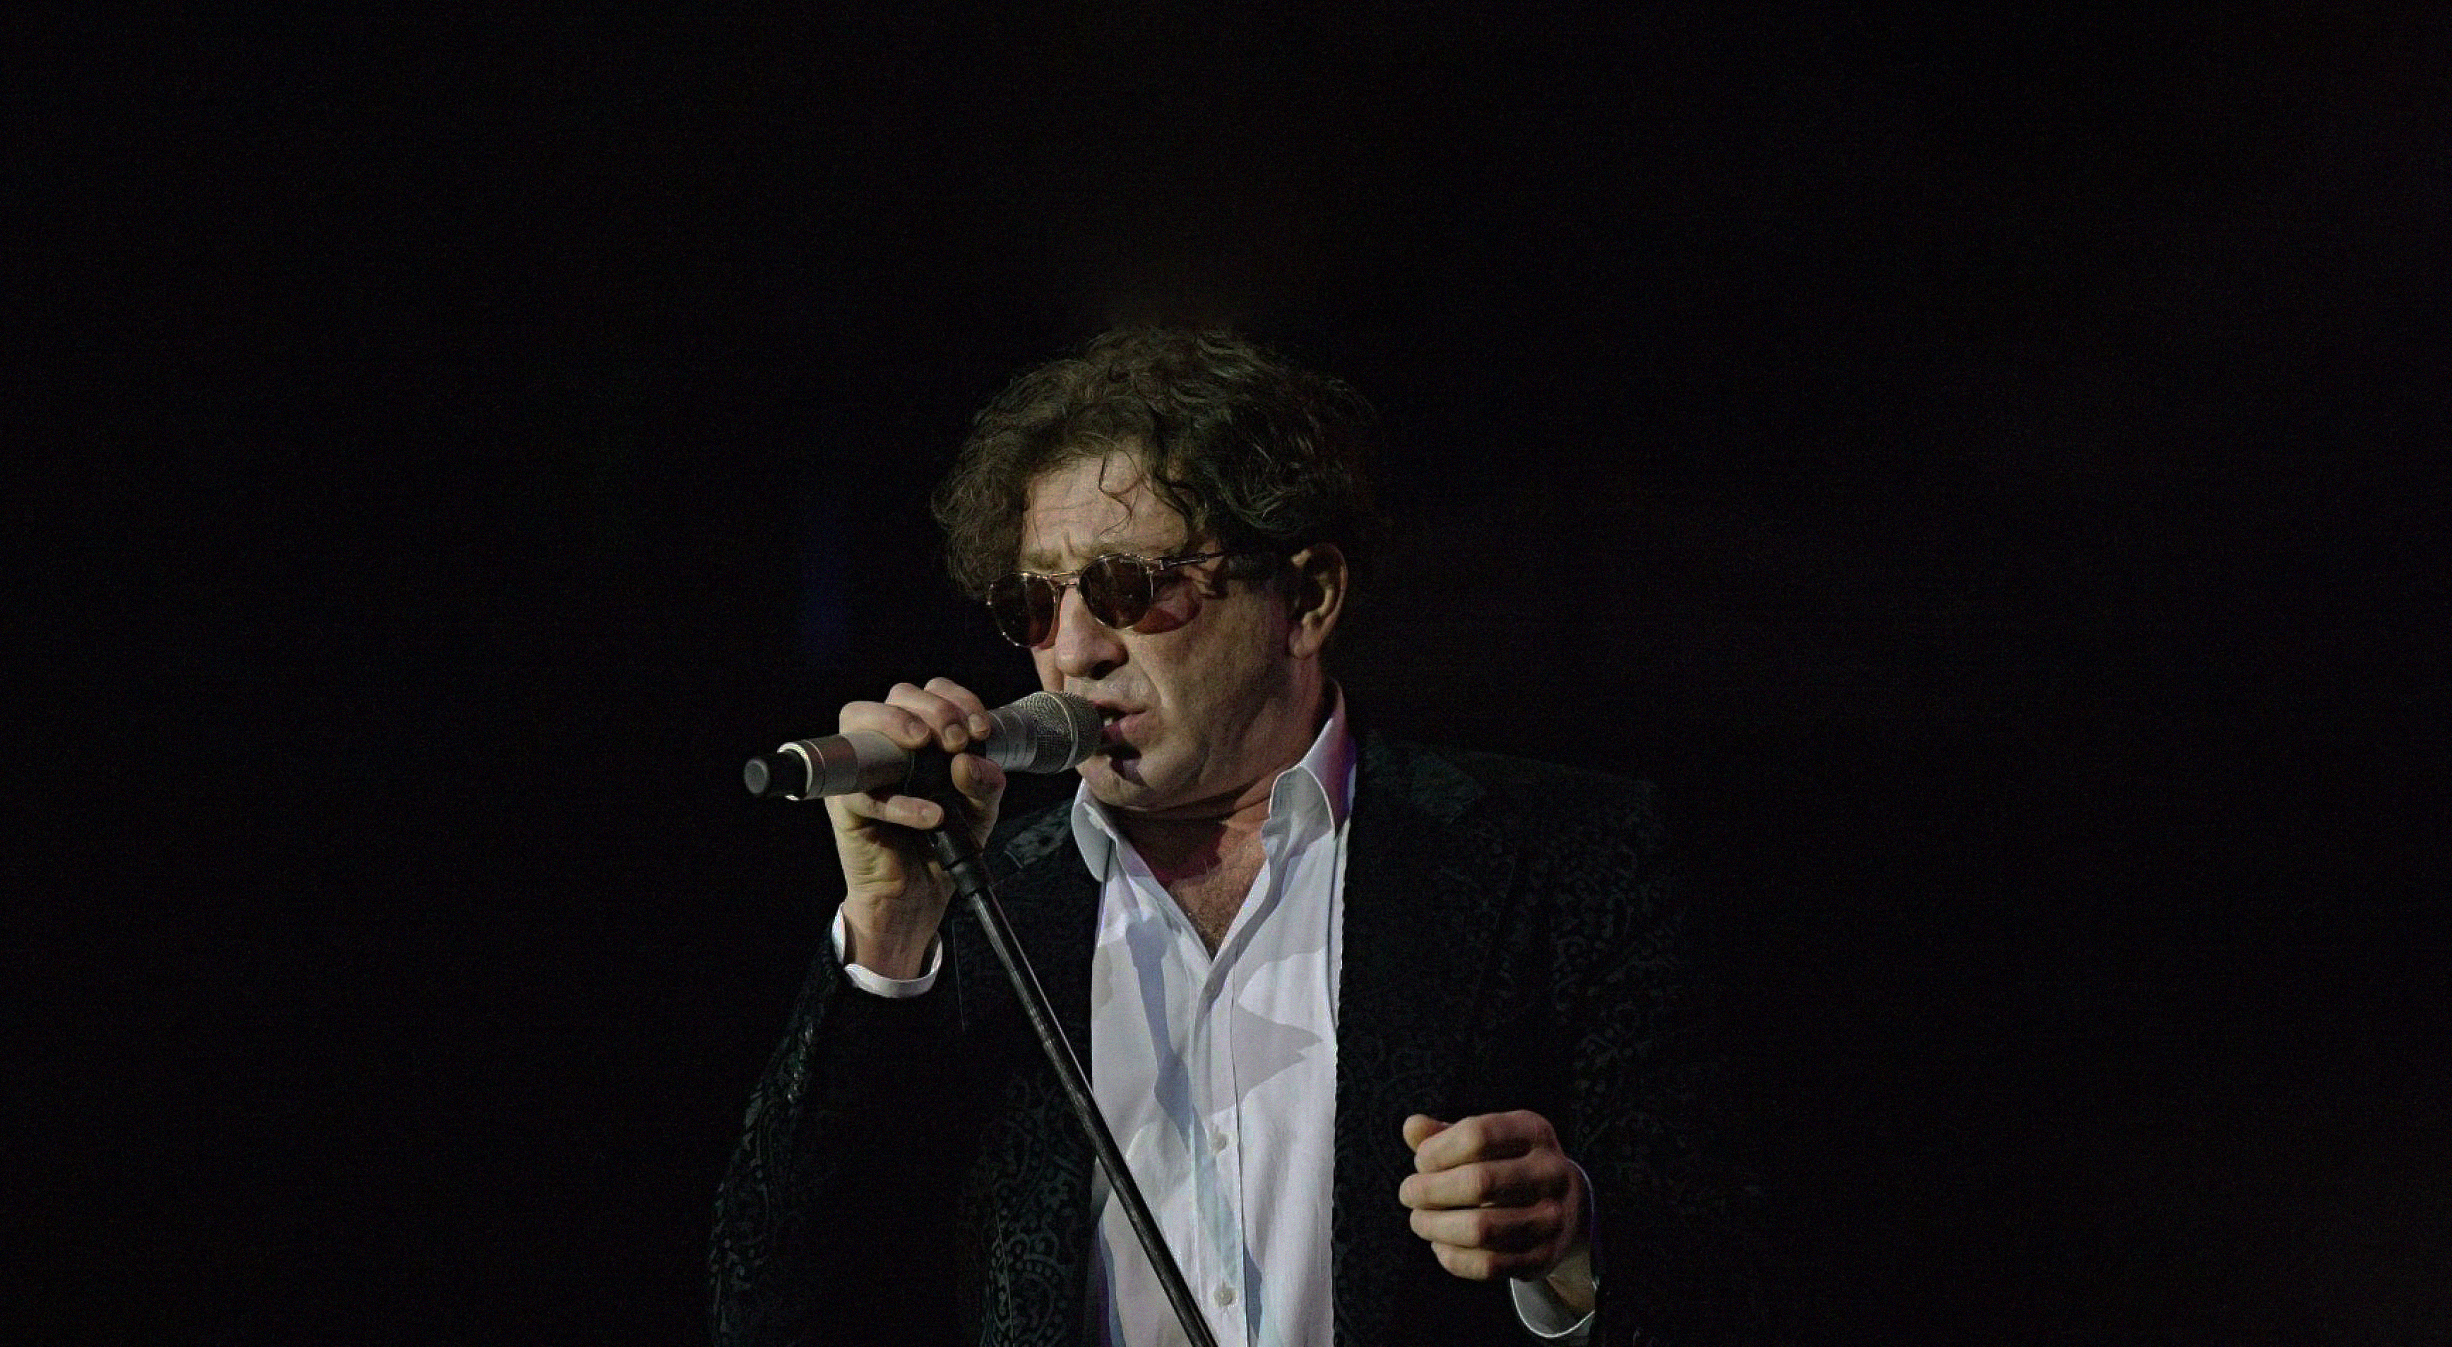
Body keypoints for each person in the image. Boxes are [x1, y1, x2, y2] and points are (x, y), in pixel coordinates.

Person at [711, 329, 1759, 1346]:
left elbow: (1730, 1270)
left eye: (1129, 587)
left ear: (1305, 598)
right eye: (1034, 602)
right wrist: (888, 934)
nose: (1073, 649)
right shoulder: (983, 908)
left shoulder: (1559, 854)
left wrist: (1571, 1253)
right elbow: (768, 1307)